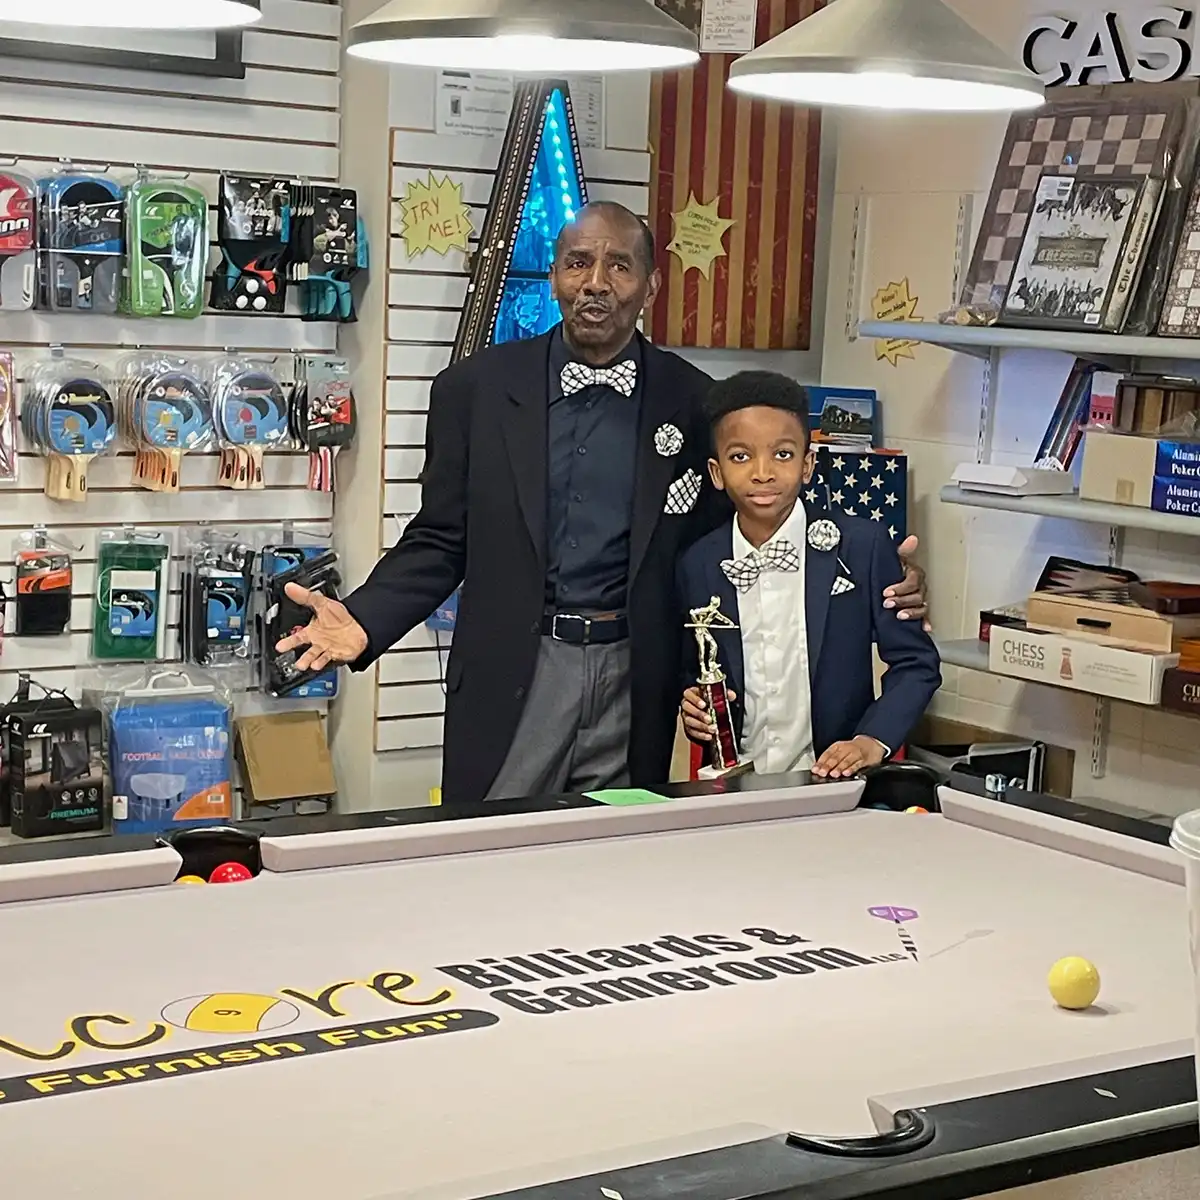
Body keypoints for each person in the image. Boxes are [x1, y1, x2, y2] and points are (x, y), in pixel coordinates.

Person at [276, 202, 930, 806]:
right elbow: (441, 537)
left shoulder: (695, 402)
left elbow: (749, 527)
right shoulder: (472, 390)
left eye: (619, 265)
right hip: (515, 668)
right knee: (491, 852)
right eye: (579, 263)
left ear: (650, 287)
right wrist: (366, 620)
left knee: (614, 857)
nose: (596, 282)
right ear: (555, 277)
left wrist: (880, 579)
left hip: (635, 677)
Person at [678, 371, 941, 780]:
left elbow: (916, 663)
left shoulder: (861, 546)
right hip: (735, 785)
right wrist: (694, 708)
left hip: (835, 781)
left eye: (782, 454)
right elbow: (693, 671)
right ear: (716, 472)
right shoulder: (697, 564)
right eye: (740, 457)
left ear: (808, 464)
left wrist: (871, 740)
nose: (762, 472)